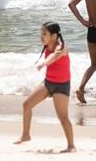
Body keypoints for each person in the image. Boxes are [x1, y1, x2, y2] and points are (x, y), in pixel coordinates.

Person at [14, 22, 75, 153]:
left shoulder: (62, 47)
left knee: (63, 117)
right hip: (48, 83)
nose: (41, 36)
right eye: (41, 33)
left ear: (54, 36)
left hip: (61, 86)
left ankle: (71, 146)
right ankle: (25, 135)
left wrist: (44, 63)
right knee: (26, 105)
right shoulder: (48, 45)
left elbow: (55, 56)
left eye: (44, 34)